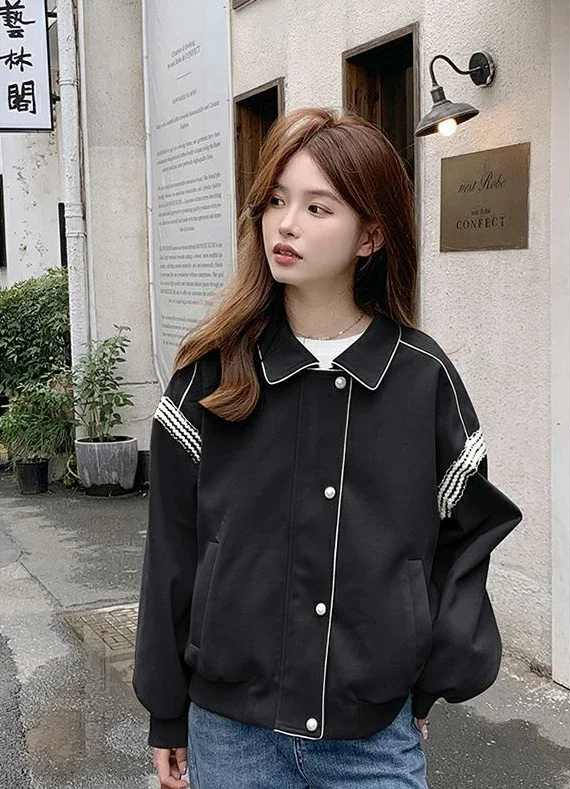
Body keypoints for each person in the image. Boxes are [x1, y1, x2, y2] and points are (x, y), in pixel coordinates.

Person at [133, 107, 522, 789]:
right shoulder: (211, 376)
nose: (285, 225)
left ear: (371, 235)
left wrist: (428, 676)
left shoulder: (421, 378)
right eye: (275, 201)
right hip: (229, 735)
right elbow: (172, 549)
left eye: (317, 207)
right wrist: (167, 712)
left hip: (372, 742)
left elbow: (467, 535)